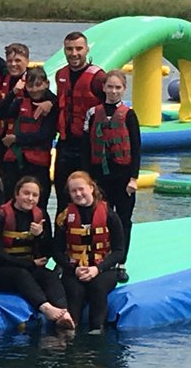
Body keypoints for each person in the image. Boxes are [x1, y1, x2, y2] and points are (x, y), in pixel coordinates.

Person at [0, 175, 75, 329]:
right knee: (20, 274)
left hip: (27, 267)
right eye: (26, 193)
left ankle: (64, 314)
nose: (30, 198)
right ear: (16, 194)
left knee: (49, 275)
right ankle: (45, 307)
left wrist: (40, 236)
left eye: (35, 195)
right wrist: (30, 264)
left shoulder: (40, 216)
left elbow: (47, 253)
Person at [54, 171, 127, 334]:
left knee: (97, 288)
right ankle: (70, 334)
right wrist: (73, 269)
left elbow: (119, 251)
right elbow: (57, 251)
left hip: (103, 269)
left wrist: (97, 269)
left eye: (81, 189)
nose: (78, 194)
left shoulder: (109, 215)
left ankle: (96, 330)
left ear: (91, 188)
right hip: (74, 269)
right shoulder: (64, 217)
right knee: (74, 291)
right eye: (73, 191)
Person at [86, 69, 141, 282]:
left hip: (123, 177)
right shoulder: (93, 113)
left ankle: (121, 262)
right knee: (101, 219)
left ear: (124, 89)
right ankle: (102, 260)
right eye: (110, 87)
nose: (114, 91)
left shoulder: (129, 115)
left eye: (118, 87)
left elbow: (136, 148)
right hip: (100, 177)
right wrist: (88, 179)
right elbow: (85, 146)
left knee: (123, 220)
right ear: (103, 88)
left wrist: (133, 178)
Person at [52, 31, 106, 210]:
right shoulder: (60, 75)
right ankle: (63, 234)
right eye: (69, 49)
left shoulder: (98, 77)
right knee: (62, 193)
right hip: (65, 143)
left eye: (78, 49)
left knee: (89, 195)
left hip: (88, 144)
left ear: (87, 50)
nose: (74, 53)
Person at [0, 66, 57, 209]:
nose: (34, 90)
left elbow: (45, 135)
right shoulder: (20, 102)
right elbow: (0, 113)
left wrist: (16, 139)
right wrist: (13, 92)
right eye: (30, 86)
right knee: (9, 203)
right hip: (15, 163)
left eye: (38, 85)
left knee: (39, 206)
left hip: (37, 166)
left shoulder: (52, 107)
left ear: (46, 84)